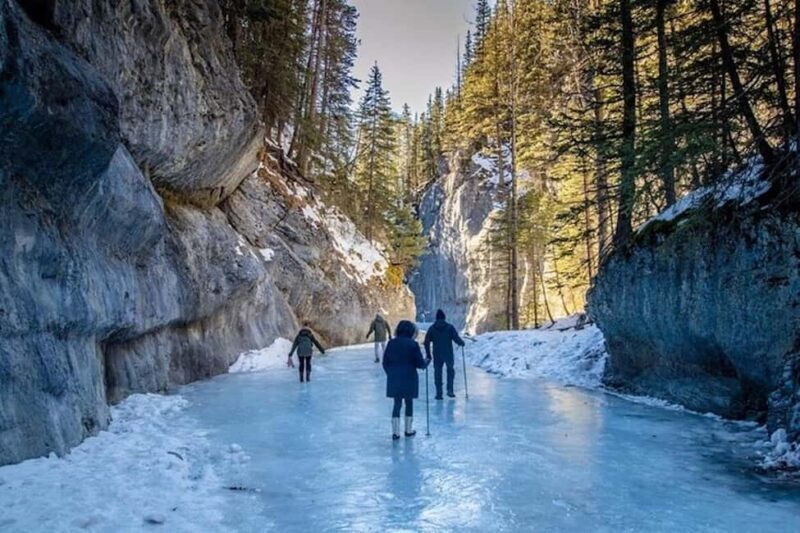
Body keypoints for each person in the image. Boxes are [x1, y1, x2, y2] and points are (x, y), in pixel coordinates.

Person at [382, 320, 430, 440]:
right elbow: (420, 364)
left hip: (395, 379)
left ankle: (395, 432)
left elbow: (385, 362)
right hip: (410, 379)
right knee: (409, 403)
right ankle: (408, 430)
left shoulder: (391, 343)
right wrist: (427, 361)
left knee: (397, 404)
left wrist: (391, 374)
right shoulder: (413, 344)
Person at [424, 309, 465, 400]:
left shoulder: (432, 328)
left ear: (436, 318)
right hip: (448, 354)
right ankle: (450, 390)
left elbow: (426, 342)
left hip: (437, 354)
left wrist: (428, 354)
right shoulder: (449, 327)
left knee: (438, 373)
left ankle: (439, 393)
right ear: (444, 318)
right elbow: (456, 338)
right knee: (450, 371)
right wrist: (461, 342)